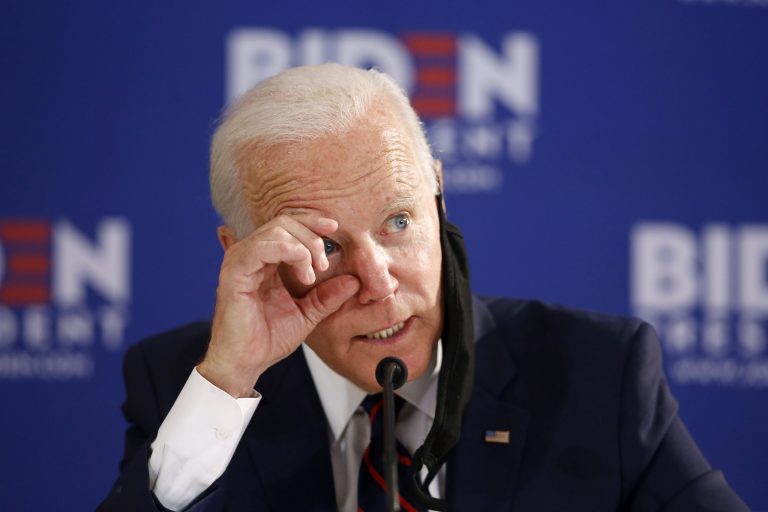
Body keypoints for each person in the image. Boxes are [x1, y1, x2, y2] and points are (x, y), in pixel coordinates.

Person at [99, 64, 749, 512]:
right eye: (326, 247)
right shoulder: (184, 386)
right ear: (242, 255)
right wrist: (227, 383)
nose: (379, 282)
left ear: (439, 191)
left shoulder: (599, 375)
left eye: (399, 221)